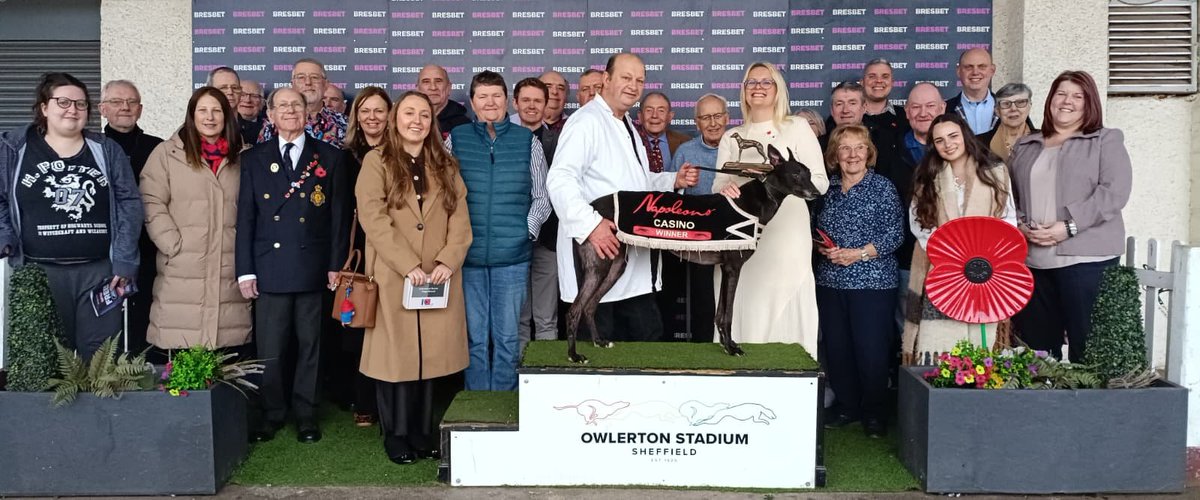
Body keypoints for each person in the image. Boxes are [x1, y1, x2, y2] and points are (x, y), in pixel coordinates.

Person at [547, 53, 698, 344]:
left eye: (639, 80)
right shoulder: (585, 122)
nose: (633, 85)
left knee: (645, 344)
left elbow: (635, 182)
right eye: (626, 77)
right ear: (606, 79)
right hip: (599, 259)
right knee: (599, 352)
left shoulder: (627, 123)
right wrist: (591, 225)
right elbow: (560, 179)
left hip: (633, 267)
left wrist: (672, 181)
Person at [356, 91, 471, 465]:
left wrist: (448, 261)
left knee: (430, 357)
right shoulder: (376, 162)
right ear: (395, 118)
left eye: (424, 115)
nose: (416, 121)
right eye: (409, 113)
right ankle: (396, 435)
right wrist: (408, 265)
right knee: (396, 359)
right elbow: (373, 220)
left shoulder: (446, 164)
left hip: (437, 276)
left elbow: (460, 220)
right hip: (395, 275)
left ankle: (422, 432)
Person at [0, 72, 144, 360]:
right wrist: (6, 236)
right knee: (44, 358)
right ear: (44, 107)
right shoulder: (15, 149)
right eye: (63, 102)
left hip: (100, 274)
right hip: (38, 272)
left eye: (80, 104)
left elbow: (129, 203)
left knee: (101, 360)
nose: (73, 110)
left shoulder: (105, 149)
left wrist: (125, 260)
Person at [237, 87, 351, 444]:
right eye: (282, 105)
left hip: (312, 267)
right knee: (270, 348)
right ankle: (272, 412)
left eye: (296, 105)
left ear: (307, 113)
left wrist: (336, 264)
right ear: (270, 115)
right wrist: (245, 269)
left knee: (310, 345)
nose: (290, 111)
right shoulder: (253, 159)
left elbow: (339, 218)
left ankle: (306, 413)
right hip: (269, 267)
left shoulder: (330, 157)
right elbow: (246, 218)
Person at [1009, 71, 1132, 362]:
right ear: (1050, 99)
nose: (1067, 101)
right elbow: (1011, 196)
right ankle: (1044, 395)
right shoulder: (1027, 145)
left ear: (1090, 104)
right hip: (1035, 261)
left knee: (1088, 350)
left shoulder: (1105, 140)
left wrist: (1069, 226)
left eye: (1078, 96)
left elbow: (1114, 192)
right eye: (1061, 94)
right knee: (1037, 352)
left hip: (1086, 261)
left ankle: (1087, 395)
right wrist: (1021, 224)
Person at [712, 62, 828, 355]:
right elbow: (718, 185)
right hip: (741, 235)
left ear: (778, 89)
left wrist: (786, 182)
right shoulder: (731, 136)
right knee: (742, 298)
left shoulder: (797, 127)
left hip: (787, 235)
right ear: (743, 90)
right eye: (751, 82)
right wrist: (725, 188)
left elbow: (820, 181)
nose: (758, 87)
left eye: (766, 82)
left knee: (782, 302)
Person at [448, 71, 550, 391]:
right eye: (483, 96)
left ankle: (504, 402)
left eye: (496, 95)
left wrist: (526, 231)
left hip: (513, 257)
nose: (490, 102)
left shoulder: (527, 141)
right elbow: (443, 195)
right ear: (472, 102)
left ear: (507, 100)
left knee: (507, 337)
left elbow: (542, 197)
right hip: (467, 256)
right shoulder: (456, 139)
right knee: (474, 338)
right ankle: (477, 401)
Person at [140, 87, 249, 351]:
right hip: (182, 264)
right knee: (182, 347)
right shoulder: (167, 154)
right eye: (202, 110)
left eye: (216, 111)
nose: (209, 117)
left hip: (229, 264)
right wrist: (172, 244)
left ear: (226, 116)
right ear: (192, 115)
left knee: (227, 348)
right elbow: (150, 200)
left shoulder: (243, 156)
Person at [902, 113, 1016, 365]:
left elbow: (1008, 219)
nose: (948, 144)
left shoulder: (995, 171)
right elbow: (918, 222)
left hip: (984, 268)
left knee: (981, 340)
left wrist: (983, 252)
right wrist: (950, 252)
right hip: (940, 269)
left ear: (965, 135)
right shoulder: (927, 176)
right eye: (939, 140)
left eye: (953, 136)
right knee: (938, 346)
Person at [815, 125, 904, 438]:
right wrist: (822, 248)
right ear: (834, 154)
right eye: (845, 148)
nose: (852, 154)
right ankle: (847, 406)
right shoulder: (826, 190)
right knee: (838, 349)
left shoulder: (882, 187)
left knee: (871, 350)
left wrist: (858, 254)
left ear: (869, 153)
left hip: (873, 283)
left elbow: (895, 234)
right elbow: (814, 230)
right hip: (830, 282)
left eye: (859, 147)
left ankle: (875, 413)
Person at [335, 86, 392, 427]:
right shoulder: (343, 158)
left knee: (390, 326)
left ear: (390, 115)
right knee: (359, 327)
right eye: (365, 111)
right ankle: (364, 400)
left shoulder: (400, 154)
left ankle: (390, 399)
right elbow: (340, 213)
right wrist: (338, 260)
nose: (372, 117)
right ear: (356, 116)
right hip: (358, 252)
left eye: (379, 110)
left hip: (394, 250)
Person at [99, 79, 163, 355]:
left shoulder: (159, 148)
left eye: (131, 102)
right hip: (105, 248)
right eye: (116, 101)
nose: (124, 107)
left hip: (150, 245)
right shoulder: (91, 148)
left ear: (140, 109)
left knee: (145, 315)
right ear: (102, 109)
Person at [663, 93, 729, 343]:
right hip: (698, 239)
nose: (712, 123)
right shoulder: (686, 151)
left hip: (735, 236)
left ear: (727, 118)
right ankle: (703, 349)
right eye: (705, 117)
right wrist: (681, 185)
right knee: (702, 299)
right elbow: (670, 196)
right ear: (696, 122)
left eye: (717, 116)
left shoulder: (739, 147)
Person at [510, 78, 559, 352]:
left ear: (546, 104)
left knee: (546, 317)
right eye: (526, 100)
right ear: (515, 103)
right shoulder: (501, 138)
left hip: (548, 240)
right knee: (518, 317)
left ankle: (546, 372)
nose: (531, 106)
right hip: (510, 241)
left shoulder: (559, 141)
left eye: (538, 100)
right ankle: (518, 374)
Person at [258, 58, 348, 148]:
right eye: (301, 77)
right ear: (292, 84)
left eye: (314, 77)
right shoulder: (274, 123)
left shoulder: (344, 123)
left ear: (325, 84)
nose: (308, 82)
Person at [977, 83, 1038, 161]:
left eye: (1020, 102)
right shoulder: (979, 144)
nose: (1013, 109)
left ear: (1029, 107)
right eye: (1006, 104)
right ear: (997, 110)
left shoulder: (1044, 140)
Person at [945, 48, 999, 134]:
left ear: (992, 70)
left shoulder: (1007, 108)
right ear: (958, 71)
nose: (975, 72)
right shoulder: (944, 110)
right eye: (968, 67)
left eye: (982, 67)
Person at [637, 92, 690, 173]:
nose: (654, 115)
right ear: (640, 116)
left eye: (661, 111)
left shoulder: (686, 143)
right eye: (649, 110)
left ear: (670, 116)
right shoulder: (629, 143)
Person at [418, 64, 471, 136]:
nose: (433, 87)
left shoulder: (464, 126)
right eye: (426, 82)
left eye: (438, 81)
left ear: (449, 88)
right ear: (418, 89)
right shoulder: (408, 121)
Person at [861, 58, 908, 133]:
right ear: (862, 82)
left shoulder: (905, 116)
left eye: (885, 76)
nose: (879, 80)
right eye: (872, 76)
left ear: (892, 83)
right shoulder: (851, 115)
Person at [539, 70, 570, 160]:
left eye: (560, 88)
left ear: (566, 96)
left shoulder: (575, 125)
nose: (555, 92)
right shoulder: (515, 123)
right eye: (548, 87)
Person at [237, 80, 266, 145]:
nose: (247, 100)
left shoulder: (271, 129)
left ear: (263, 103)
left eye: (254, 96)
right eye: (242, 95)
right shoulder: (223, 126)